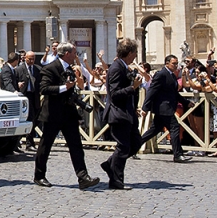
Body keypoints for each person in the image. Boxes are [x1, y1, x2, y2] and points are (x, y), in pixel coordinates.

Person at [33, 42, 100, 190]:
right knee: (46, 145)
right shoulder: (50, 68)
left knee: (76, 146)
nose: (76, 55)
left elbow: (71, 92)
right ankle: (39, 175)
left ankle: (83, 177)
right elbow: (44, 89)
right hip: (53, 113)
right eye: (74, 53)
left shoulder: (69, 69)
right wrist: (65, 87)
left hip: (68, 114)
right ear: (67, 54)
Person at [100, 38, 144, 190]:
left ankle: (110, 164)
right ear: (130, 53)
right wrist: (133, 87)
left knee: (136, 143)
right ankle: (116, 181)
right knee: (123, 147)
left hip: (128, 113)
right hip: (118, 113)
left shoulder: (124, 67)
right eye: (135, 53)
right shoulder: (116, 68)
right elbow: (115, 93)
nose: (136, 56)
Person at [140, 55, 193, 163]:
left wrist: (186, 102)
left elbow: (174, 94)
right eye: (174, 63)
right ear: (167, 63)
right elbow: (152, 91)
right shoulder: (161, 74)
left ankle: (133, 146)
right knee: (174, 128)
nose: (176, 65)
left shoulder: (172, 76)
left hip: (167, 108)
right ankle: (178, 154)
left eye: (176, 63)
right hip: (163, 108)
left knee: (153, 131)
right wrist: (145, 108)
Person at [17, 51, 42, 150]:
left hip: (34, 96)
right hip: (24, 96)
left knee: (36, 119)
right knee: (28, 119)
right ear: (25, 58)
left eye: (33, 59)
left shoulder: (38, 69)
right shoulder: (19, 69)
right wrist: (18, 84)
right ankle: (28, 142)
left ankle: (25, 139)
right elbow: (15, 81)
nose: (31, 61)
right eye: (29, 59)